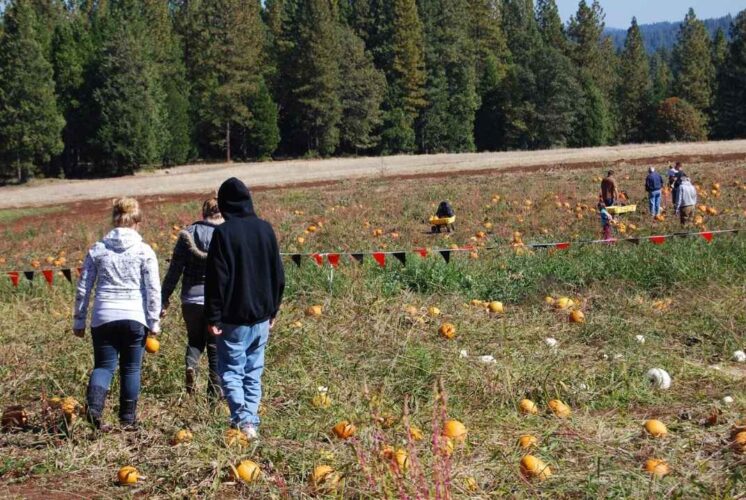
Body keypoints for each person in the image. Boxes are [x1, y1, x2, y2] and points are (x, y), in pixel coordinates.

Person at [205, 178, 285, 440]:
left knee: (230, 371)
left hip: (233, 318)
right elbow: (278, 274)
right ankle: (250, 422)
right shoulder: (265, 229)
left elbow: (218, 278)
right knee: (253, 372)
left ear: (226, 205)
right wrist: (273, 309)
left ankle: (244, 421)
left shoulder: (223, 234)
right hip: (262, 316)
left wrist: (213, 315)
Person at [73, 198, 161, 430]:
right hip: (135, 317)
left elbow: (84, 286)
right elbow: (153, 289)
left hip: (103, 316)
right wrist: (154, 322)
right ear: (137, 221)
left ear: (114, 220)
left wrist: (79, 319)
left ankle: (94, 410)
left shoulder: (97, 249)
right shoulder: (145, 251)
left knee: (103, 367)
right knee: (131, 369)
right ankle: (128, 420)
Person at [161, 198, 224, 398]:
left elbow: (174, 270)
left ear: (203, 212)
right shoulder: (225, 234)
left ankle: (191, 366)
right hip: (217, 300)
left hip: (190, 299)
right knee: (215, 347)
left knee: (195, 340)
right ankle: (214, 396)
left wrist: (164, 297)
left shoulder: (187, 234)